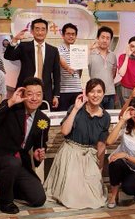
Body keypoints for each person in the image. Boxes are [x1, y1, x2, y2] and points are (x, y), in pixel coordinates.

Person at [0, 78, 50, 214]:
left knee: (38, 199)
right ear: (23, 94)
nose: (34, 98)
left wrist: (37, 155)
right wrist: (10, 102)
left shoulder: (43, 119)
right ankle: (5, 201)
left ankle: (12, 187)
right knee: (12, 162)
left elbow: (40, 145)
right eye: (30, 94)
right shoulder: (10, 108)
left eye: (38, 94)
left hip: (19, 163)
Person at [44, 79, 110, 209]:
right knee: (73, 196)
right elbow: (65, 131)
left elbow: (101, 145)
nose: (95, 95)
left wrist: (100, 168)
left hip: (89, 155)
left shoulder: (105, 117)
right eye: (92, 91)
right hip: (71, 152)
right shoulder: (76, 109)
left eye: (99, 91)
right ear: (86, 93)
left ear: (103, 94)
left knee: (95, 197)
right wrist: (75, 109)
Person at [4, 18, 61, 109]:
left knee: (42, 117)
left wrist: (56, 95)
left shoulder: (53, 50)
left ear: (46, 31)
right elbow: (8, 56)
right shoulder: (24, 46)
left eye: (43, 29)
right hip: (25, 90)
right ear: (32, 31)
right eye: (37, 29)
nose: (40, 32)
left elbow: (56, 74)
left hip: (44, 92)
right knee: (22, 115)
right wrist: (15, 40)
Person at [56, 23, 83, 112]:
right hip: (63, 91)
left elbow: (80, 72)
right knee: (63, 115)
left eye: (73, 34)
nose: (71, 36)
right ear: (63, 35)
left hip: (77, 90)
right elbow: (60, 63)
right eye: (68, 34)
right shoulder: (57, 50)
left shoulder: (79, 50)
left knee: (77, 116)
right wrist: (68, 68)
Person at [88, 26, 117, 110]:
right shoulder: (91, 54)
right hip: (95, 94)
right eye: (102, 37)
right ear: (98, 38)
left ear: (110, 40)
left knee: (109, 116)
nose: (105, 40)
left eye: (108, 38)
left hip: (110, 93)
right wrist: (89, 49)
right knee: (95, 116)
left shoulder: (113, 55)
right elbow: (82, 65)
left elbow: (113, 73)